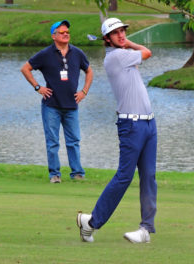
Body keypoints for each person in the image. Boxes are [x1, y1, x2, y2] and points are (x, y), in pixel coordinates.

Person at [77, 18, 157, 243]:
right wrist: (128, 43)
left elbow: (143, 55)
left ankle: (145, 229)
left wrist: (123, 42)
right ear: (107, 39)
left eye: (123, 31)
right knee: (124, 176)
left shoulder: (123, 55)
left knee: (149, 176)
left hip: (149, 123)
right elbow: (147, 52)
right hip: (131, 125)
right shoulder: (116, 57)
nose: (121, 35)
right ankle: (91, 223)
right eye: (116, 33)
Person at [21, 20, 93, 183]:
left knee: (74, 141)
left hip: (71, 106)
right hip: (51, 106)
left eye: (67, 32)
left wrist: (84, 91)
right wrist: (38, 87)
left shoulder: (77, 53)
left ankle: (77, 173)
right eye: (62, 32)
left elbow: (89, 71)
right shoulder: (45, 54)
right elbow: (25, 68)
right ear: (54, 36)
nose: (66, 34)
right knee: (53, 142)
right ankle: (55, 174)